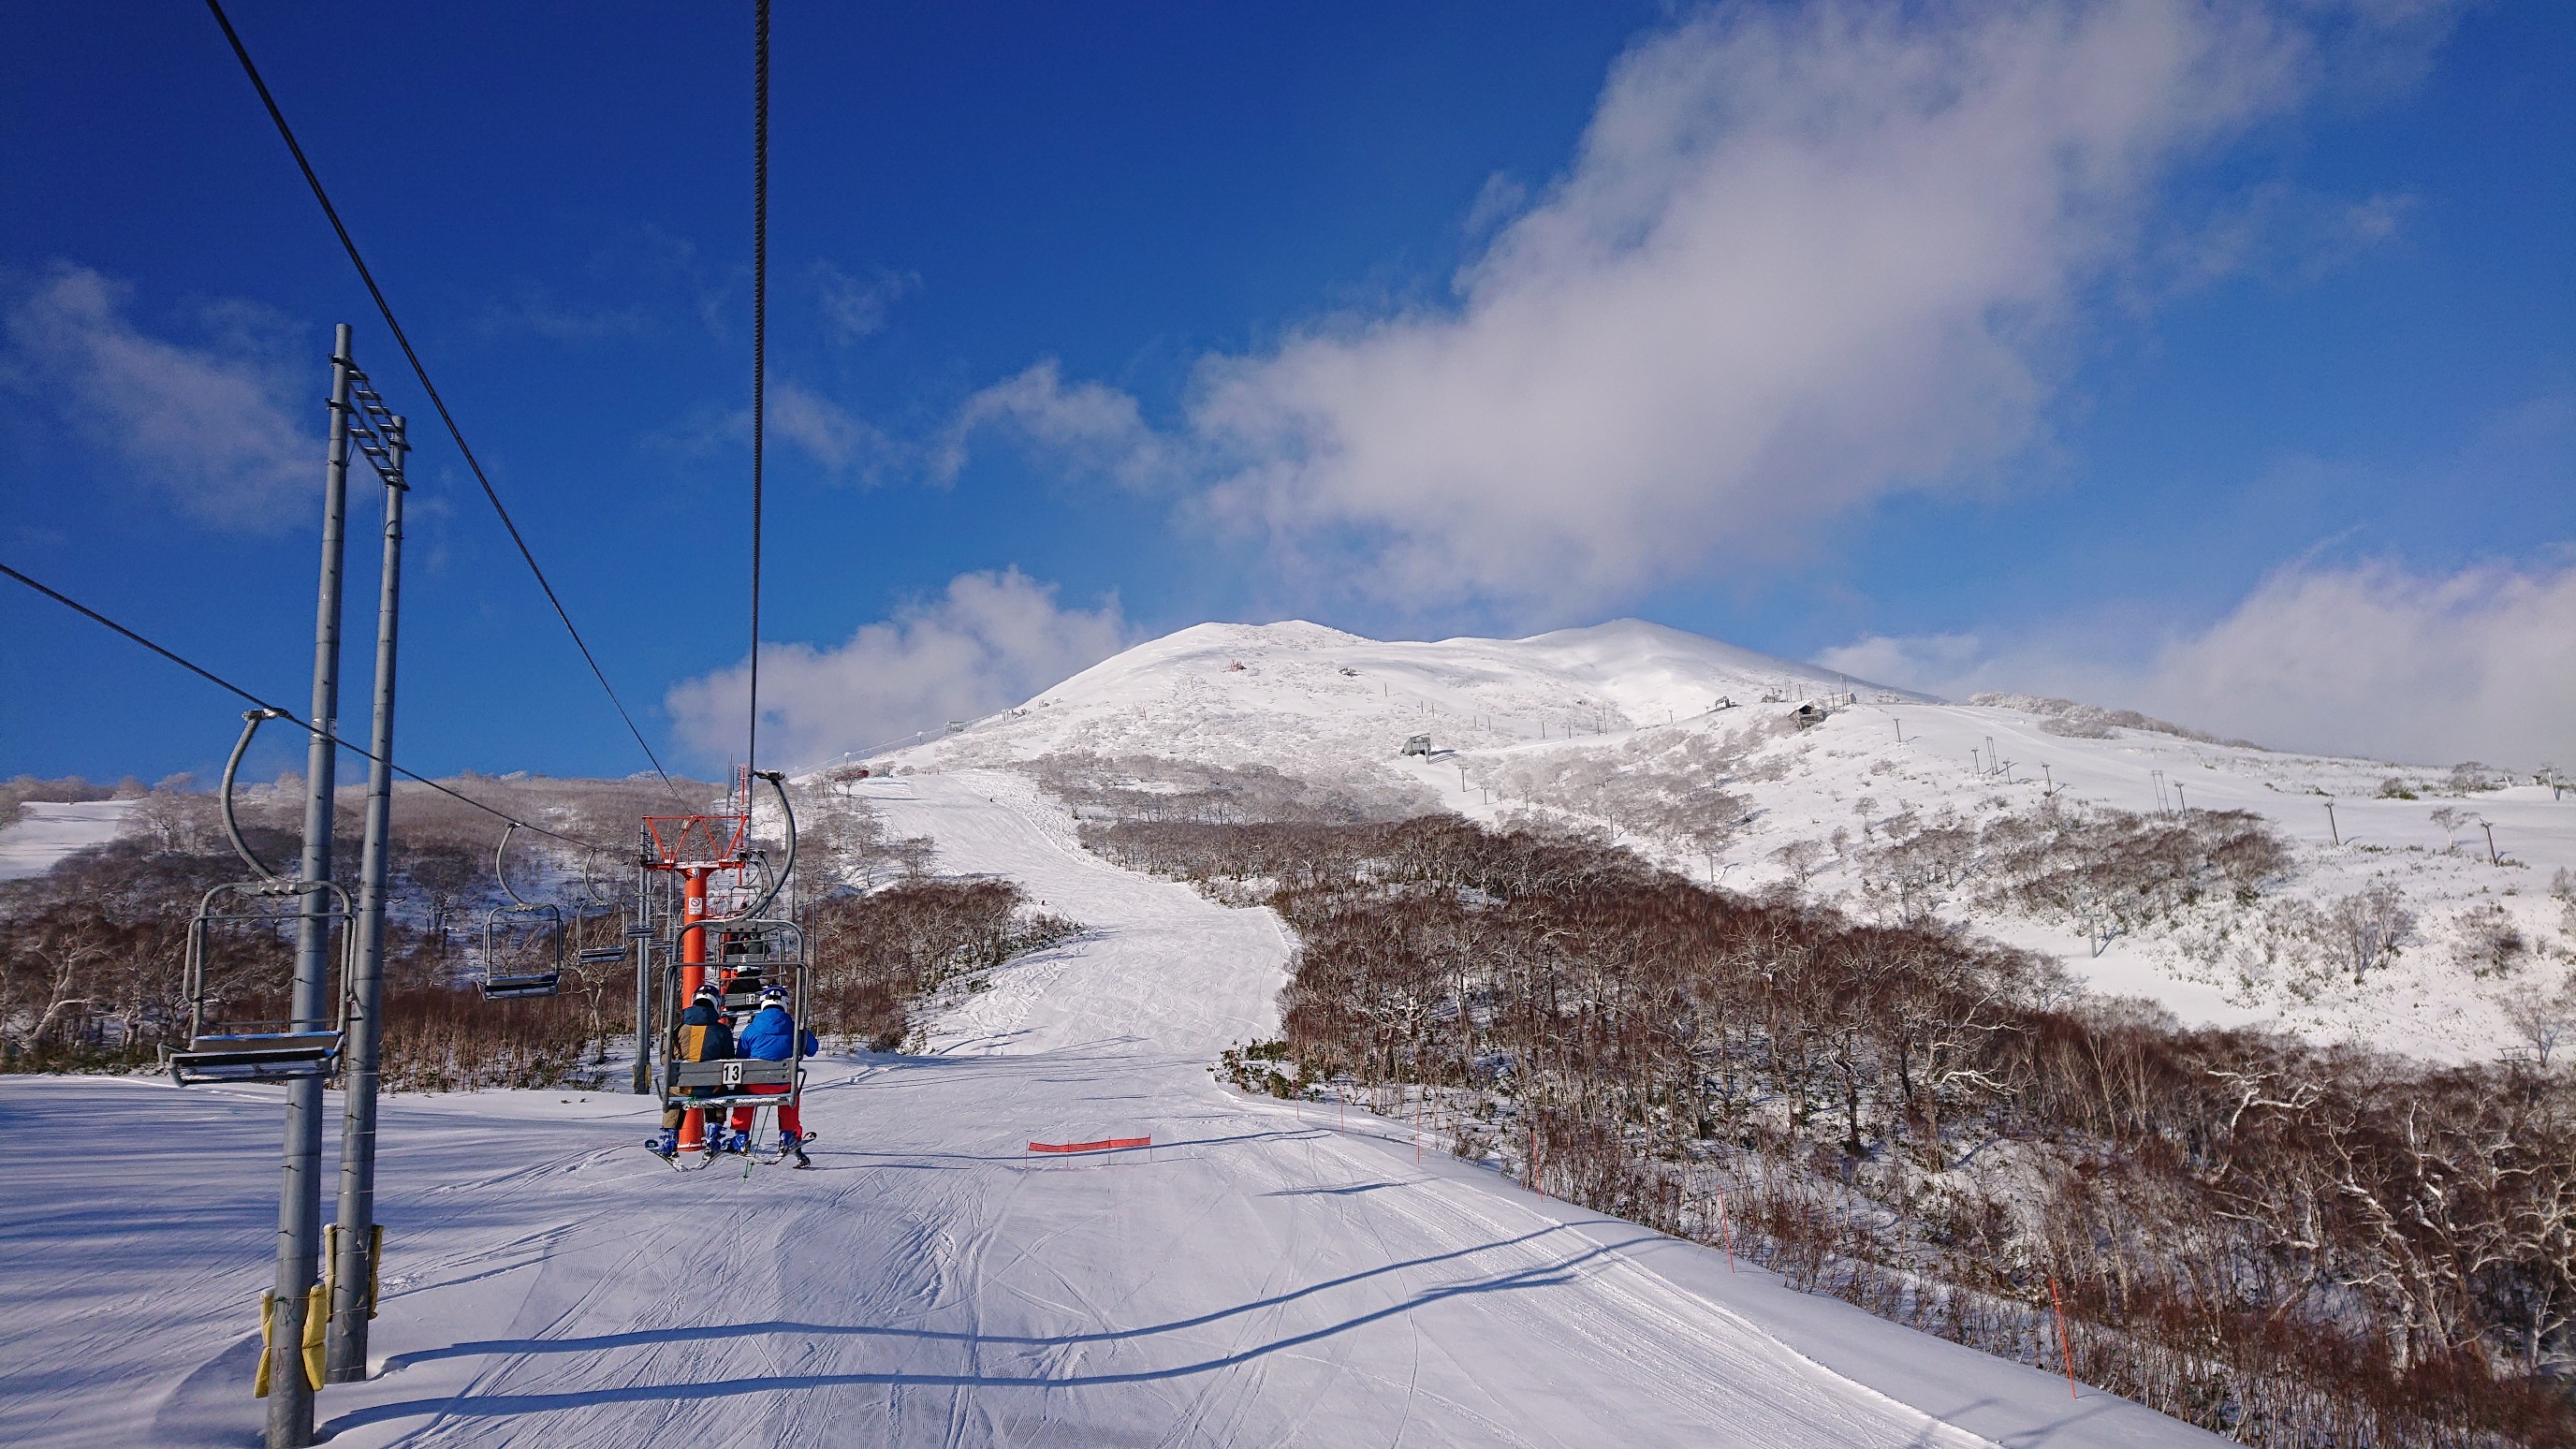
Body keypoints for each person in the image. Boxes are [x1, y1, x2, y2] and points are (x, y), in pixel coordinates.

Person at [728, 984, 818, 1167]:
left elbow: (741, 1057)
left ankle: (741, 1136)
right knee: (792, 1091)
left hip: (754, 1086)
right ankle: (787, 1134)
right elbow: (812, 1049)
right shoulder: (793, 1028)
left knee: (743, 1090)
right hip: (782, 1085)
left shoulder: (750, 1029)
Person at [648, 984, 735, 1158]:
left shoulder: (678, 1029)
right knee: (719, 1089)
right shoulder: (722, 1031)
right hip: (710, 1089)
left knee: (674, 1093)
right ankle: (713, 1135)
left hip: (683, 1088)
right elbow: (729, 1059)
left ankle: (670, 1138)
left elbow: (665, 1060)